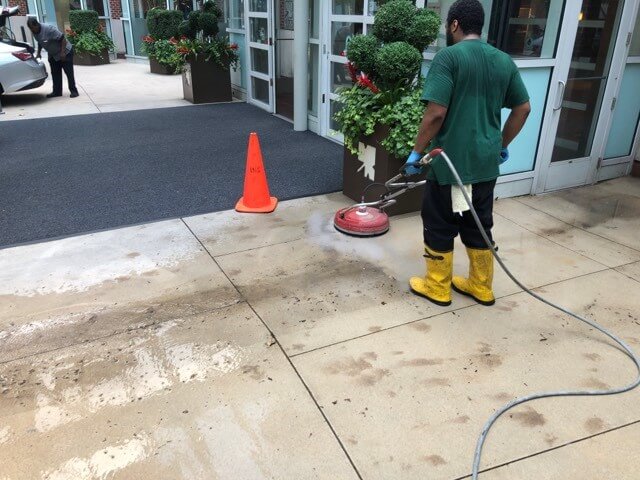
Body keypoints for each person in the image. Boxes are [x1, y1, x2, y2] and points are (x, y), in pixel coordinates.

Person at [405, 0, 531, 307]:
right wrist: (502, 145)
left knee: (439, 222)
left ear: (454, 25)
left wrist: (415, 153)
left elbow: (435, 113)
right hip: (485, 164)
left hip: (450, 163)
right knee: (478, 221)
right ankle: (481, 286)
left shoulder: (448, 58)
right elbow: (523, 108)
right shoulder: (502, 60)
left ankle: (437, 286)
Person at [27, 18, 79, 98]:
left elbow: (63, 39)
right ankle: (57, 92)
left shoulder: (49, 29)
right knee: (55, 73)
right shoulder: (34, 32)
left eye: (33, 28)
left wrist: (62, 53)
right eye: (30, 28)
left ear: (37, 24)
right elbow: (40, 42)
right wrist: (38, 53)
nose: (32, 30)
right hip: (53, 54)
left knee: (69, 72)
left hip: (65, 52)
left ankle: (74, 91)